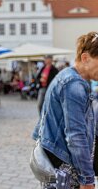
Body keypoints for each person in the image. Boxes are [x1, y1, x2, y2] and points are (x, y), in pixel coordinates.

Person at [32, 31, 98, 189]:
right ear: (85, 58)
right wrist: (87, 179)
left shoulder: (69, 77)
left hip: (58, 162)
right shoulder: (73, 85)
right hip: (65, 167)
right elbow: (76, 136)